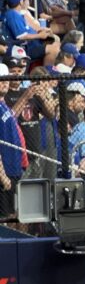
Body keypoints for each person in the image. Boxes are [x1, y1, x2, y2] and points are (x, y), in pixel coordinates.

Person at [0, 63, 27, 217]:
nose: (5, 82)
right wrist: (2, 175)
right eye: (1, 80)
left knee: (15, 215)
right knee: (6, 220)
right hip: (5, 172)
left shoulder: (4, 105)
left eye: (6, 79)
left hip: (14, 169)